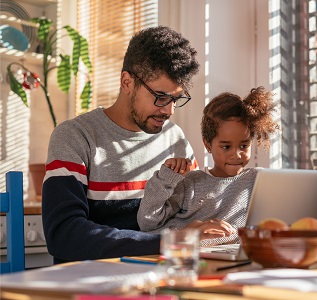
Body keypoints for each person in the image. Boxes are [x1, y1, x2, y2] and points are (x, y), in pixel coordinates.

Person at [42, 26, 234, 264]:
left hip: (159, 275)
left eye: (176, 99)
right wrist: (169, 241)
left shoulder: (174, 139)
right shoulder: (75, 136)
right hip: (93, 282)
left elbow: (187, 213)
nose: (169, 110)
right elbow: (64, 235)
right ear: (126, 82)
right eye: (161, 97)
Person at [137, 86, 280, 246]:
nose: (236, 154)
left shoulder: (259, 181)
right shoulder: (190, 183)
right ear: (208, 145)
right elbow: (147, 223)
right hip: (189, 255)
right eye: (226, 146)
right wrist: (165, 180)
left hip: (236, 257)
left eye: (244, 146)